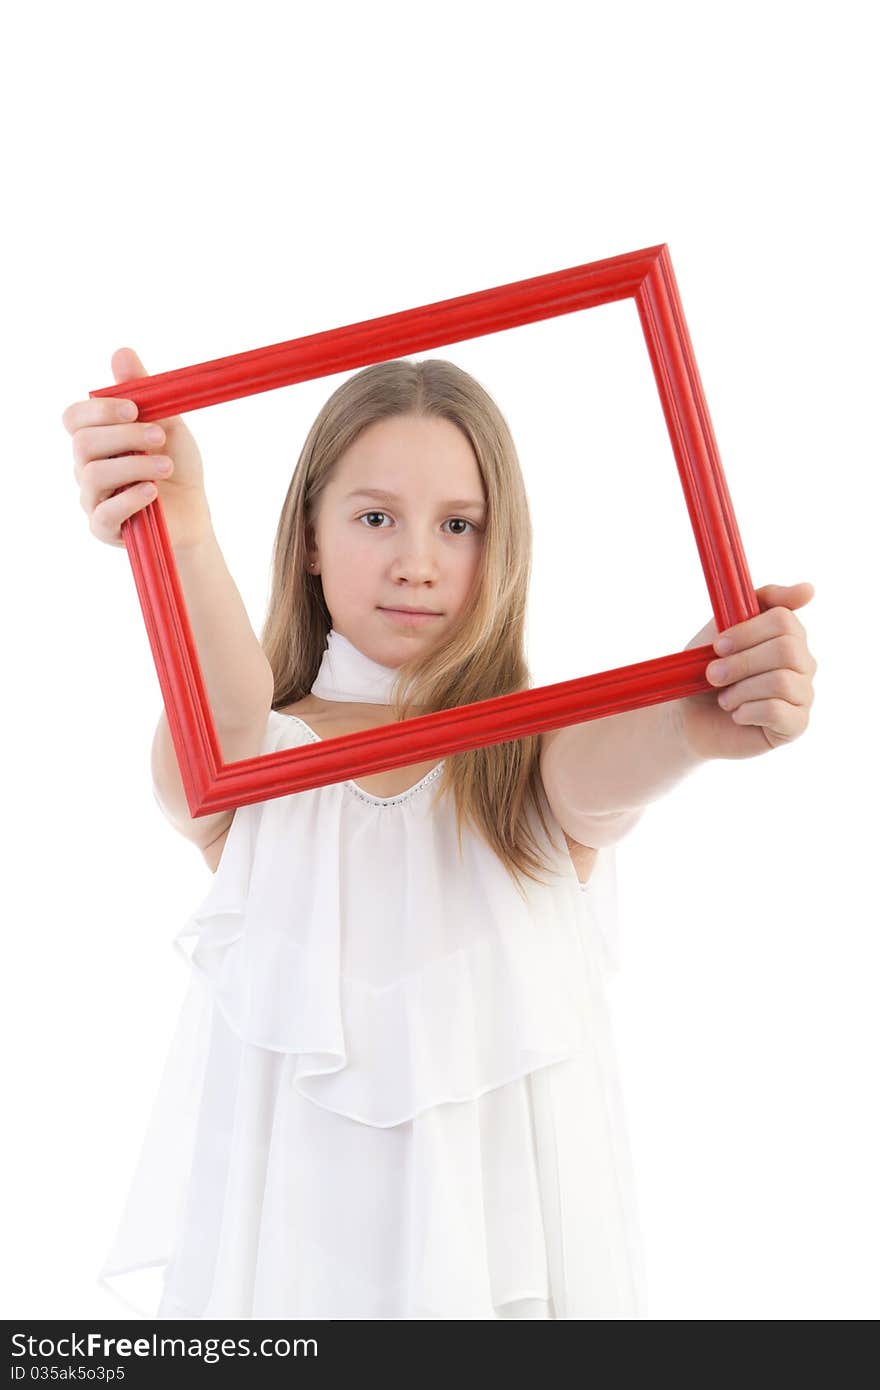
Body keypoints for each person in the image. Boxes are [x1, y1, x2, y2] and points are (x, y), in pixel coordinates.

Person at [62, 347, 817, 1320]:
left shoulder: (527, 756)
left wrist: (693, 712)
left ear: (499, 546)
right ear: (309, 539)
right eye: (375, 517)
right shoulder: (266, 764)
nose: (417, 559)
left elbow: (598, 774)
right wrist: (183, 532)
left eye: (458, 525)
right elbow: (218, 740)